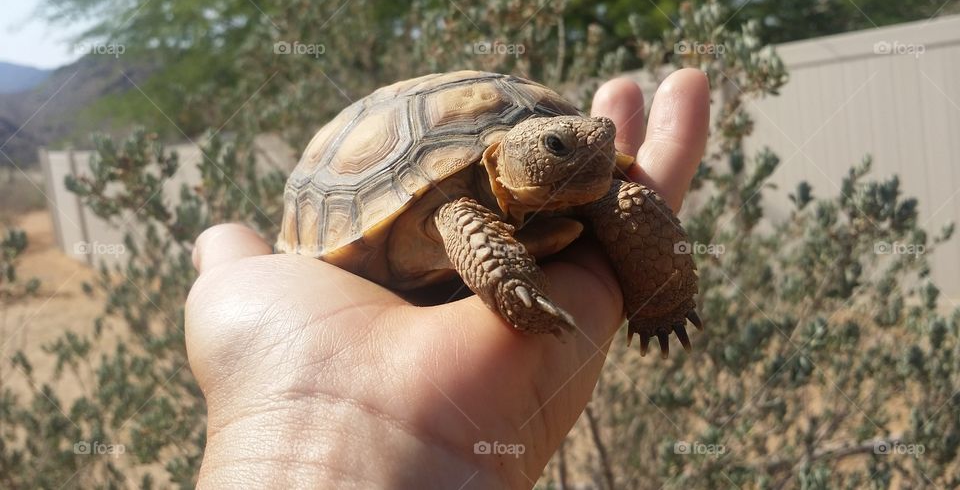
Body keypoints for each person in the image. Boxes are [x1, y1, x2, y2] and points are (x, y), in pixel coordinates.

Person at [185, 69, 710, 488]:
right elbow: (459, 219)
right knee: (466, 218)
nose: (593, 155)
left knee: (632, 202)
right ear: (510, 158)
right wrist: (513, 289)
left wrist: (662, 302)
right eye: (558, 148)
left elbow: (623, 196)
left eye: (601, 144)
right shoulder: (457, 209)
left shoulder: (589, 173)